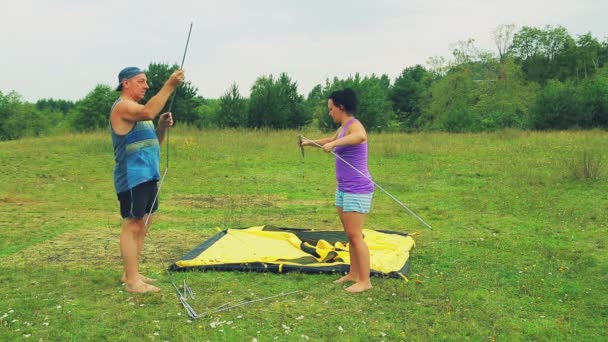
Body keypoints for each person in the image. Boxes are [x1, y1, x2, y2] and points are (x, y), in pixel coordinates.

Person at [110, 66, 184, 293]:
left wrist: (161, 127)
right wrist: (170, 84)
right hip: (132, 177)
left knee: (144, 223)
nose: (146, 85)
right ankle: (132, 282)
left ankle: (130, 273)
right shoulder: (123, 107)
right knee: (132, 225)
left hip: (148, 175)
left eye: (146, 82)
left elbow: (154, 143)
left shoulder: (139, 111)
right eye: (141, 81)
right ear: (126, 83)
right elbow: (150, 112)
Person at [301, 88, 374, 293]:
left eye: (331, 108)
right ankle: (353, 274)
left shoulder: (355, 126)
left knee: (355, 235)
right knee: (350, 235)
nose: (329, 112)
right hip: (344, 189)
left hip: (357, 189)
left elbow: (360, 137)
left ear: (341, 107)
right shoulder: (343, 127)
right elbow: (330, 140)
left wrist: (334, 143)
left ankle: (365, 281)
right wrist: (311, 143)